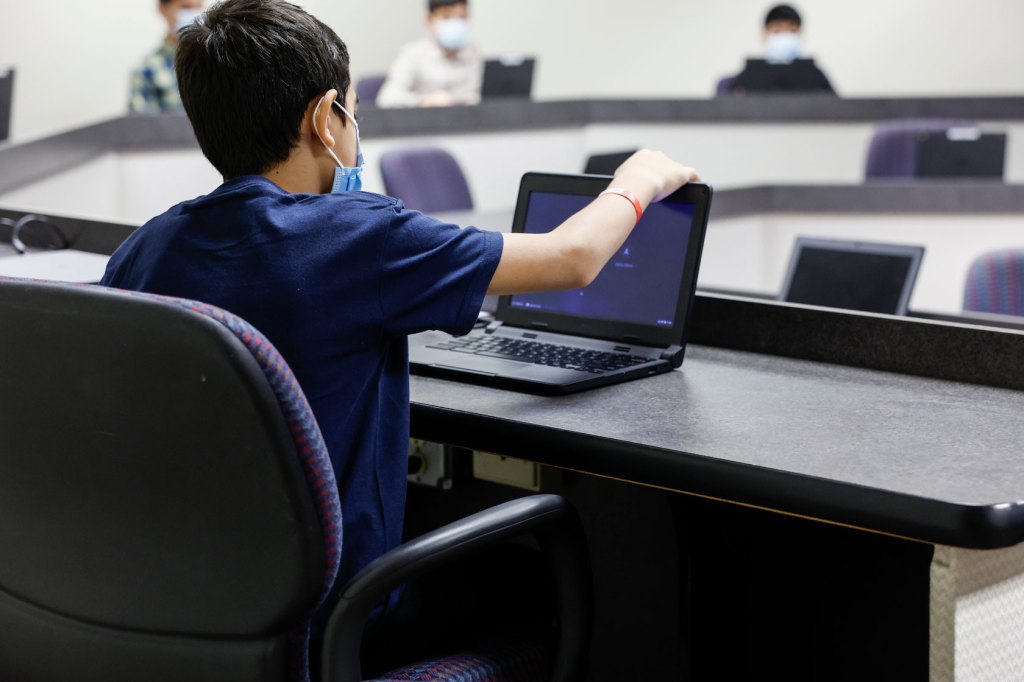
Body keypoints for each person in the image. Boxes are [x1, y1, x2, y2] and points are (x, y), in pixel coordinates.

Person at [102, 0, 698, 668]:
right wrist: (639, 180)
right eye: (355, 110)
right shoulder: (359, 237)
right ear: (324, 117)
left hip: (180, 621)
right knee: (526, 577)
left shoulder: (144, 251)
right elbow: (572, 260)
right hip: (332, 625)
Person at [376, 0, 482, 108]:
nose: (455, 24)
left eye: (462, 17)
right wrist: (423, 100)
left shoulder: (472, 53)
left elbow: (472, 98)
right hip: (420, 120)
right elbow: (387, 98)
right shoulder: (412, 54)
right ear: (429, 21)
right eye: (446, 17)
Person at [718, 4, 835, 95]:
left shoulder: (816, 77)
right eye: (777, 31)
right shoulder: (736, 83)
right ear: (764, 36)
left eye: (792, 31)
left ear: (801, 36)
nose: (784, 37)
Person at [128, 0, 203, 114]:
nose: (193, 14)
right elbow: (141, 127)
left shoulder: (217, 60)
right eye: (185, 8)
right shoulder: (148, 70)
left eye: (197, 8)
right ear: (163, 9)